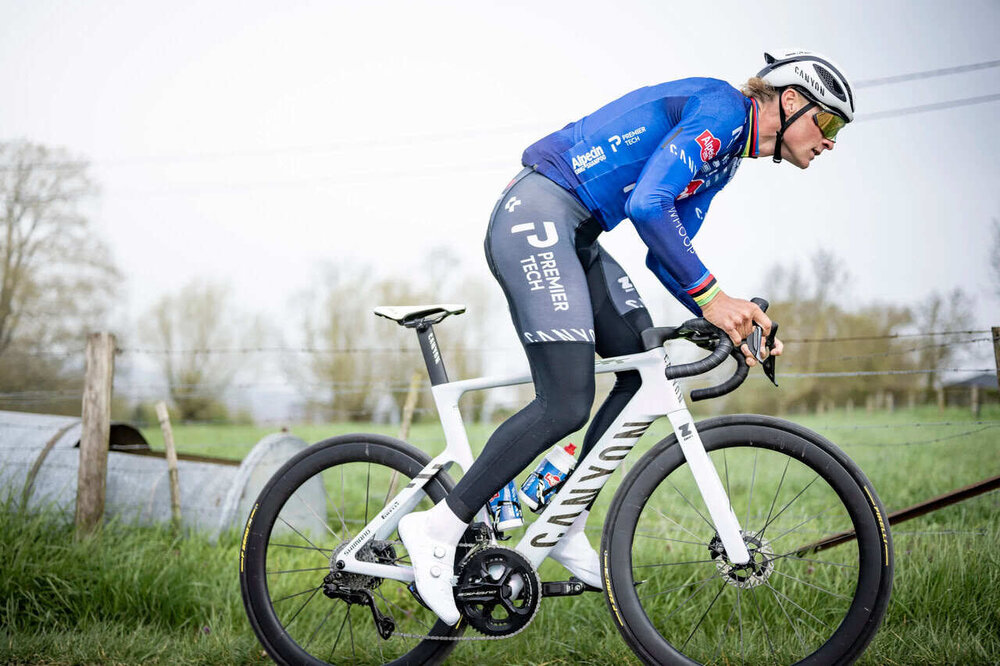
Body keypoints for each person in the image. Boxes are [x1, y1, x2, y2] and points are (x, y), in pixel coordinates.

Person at [399, 49, 854, 625]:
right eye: (828, 122)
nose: (830, 140)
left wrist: (727, 316)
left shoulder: (727, 159)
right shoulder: (722, 110)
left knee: (642, 364)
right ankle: (437, 528)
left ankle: (562, 520)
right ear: (790, 101)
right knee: (565, 401)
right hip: (538, 213)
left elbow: (669, 254)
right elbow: (647, 204)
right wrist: (716, 299)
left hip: (579, 233)